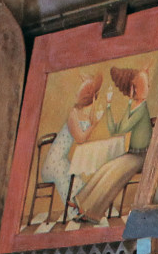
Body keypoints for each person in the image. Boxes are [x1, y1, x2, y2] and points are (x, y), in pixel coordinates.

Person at [71, 65, 152, 225]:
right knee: (105, 168)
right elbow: (115, 130)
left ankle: (91, 212)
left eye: (147, 84)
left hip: (142, 156)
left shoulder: (142, 108)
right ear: (134, 88)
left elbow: (123, 128)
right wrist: (108, 105)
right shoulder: (133, 106)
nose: (147, 87)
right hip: (133, 154)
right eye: (143, 85)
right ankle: (81, 203)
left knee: (112, 175)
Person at [35, 71, 106, 226]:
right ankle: (76, 212)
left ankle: (86, 209)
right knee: (69, 178)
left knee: (76, 179)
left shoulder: (83, 114)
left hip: (61, 160)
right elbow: (80, 138)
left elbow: (91, 118)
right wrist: (94, 125)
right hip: (52, 163)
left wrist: (94, 99)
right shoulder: (73, 114)